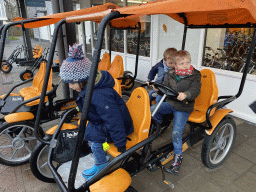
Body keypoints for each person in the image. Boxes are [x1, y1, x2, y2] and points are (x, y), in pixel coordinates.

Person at [59, 44, 134, 180]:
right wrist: (77, 109)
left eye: (72, 83)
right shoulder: (88, 88)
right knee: (89, 136)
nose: (70, 86)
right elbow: (89, 105)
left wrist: (120, 143)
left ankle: (101, 165)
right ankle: (103, 157)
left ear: (82, 80)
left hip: (117, 127)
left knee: (94, 143)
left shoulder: (99, 95)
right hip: (100, 121)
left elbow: (114, 119)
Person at [151, 50, 201, 175]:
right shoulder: (172, 73)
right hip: (171, 103)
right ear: (175, 65)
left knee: (176, 133)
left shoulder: (195, 75)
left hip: (183, 107)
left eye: (187, 62)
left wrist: (186, 95)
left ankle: (178, 158)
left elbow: (195, 90)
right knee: (152, 110)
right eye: (182, 63)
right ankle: (156, 128)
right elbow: (165, 86)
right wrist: (158, 88)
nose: (185, 65)